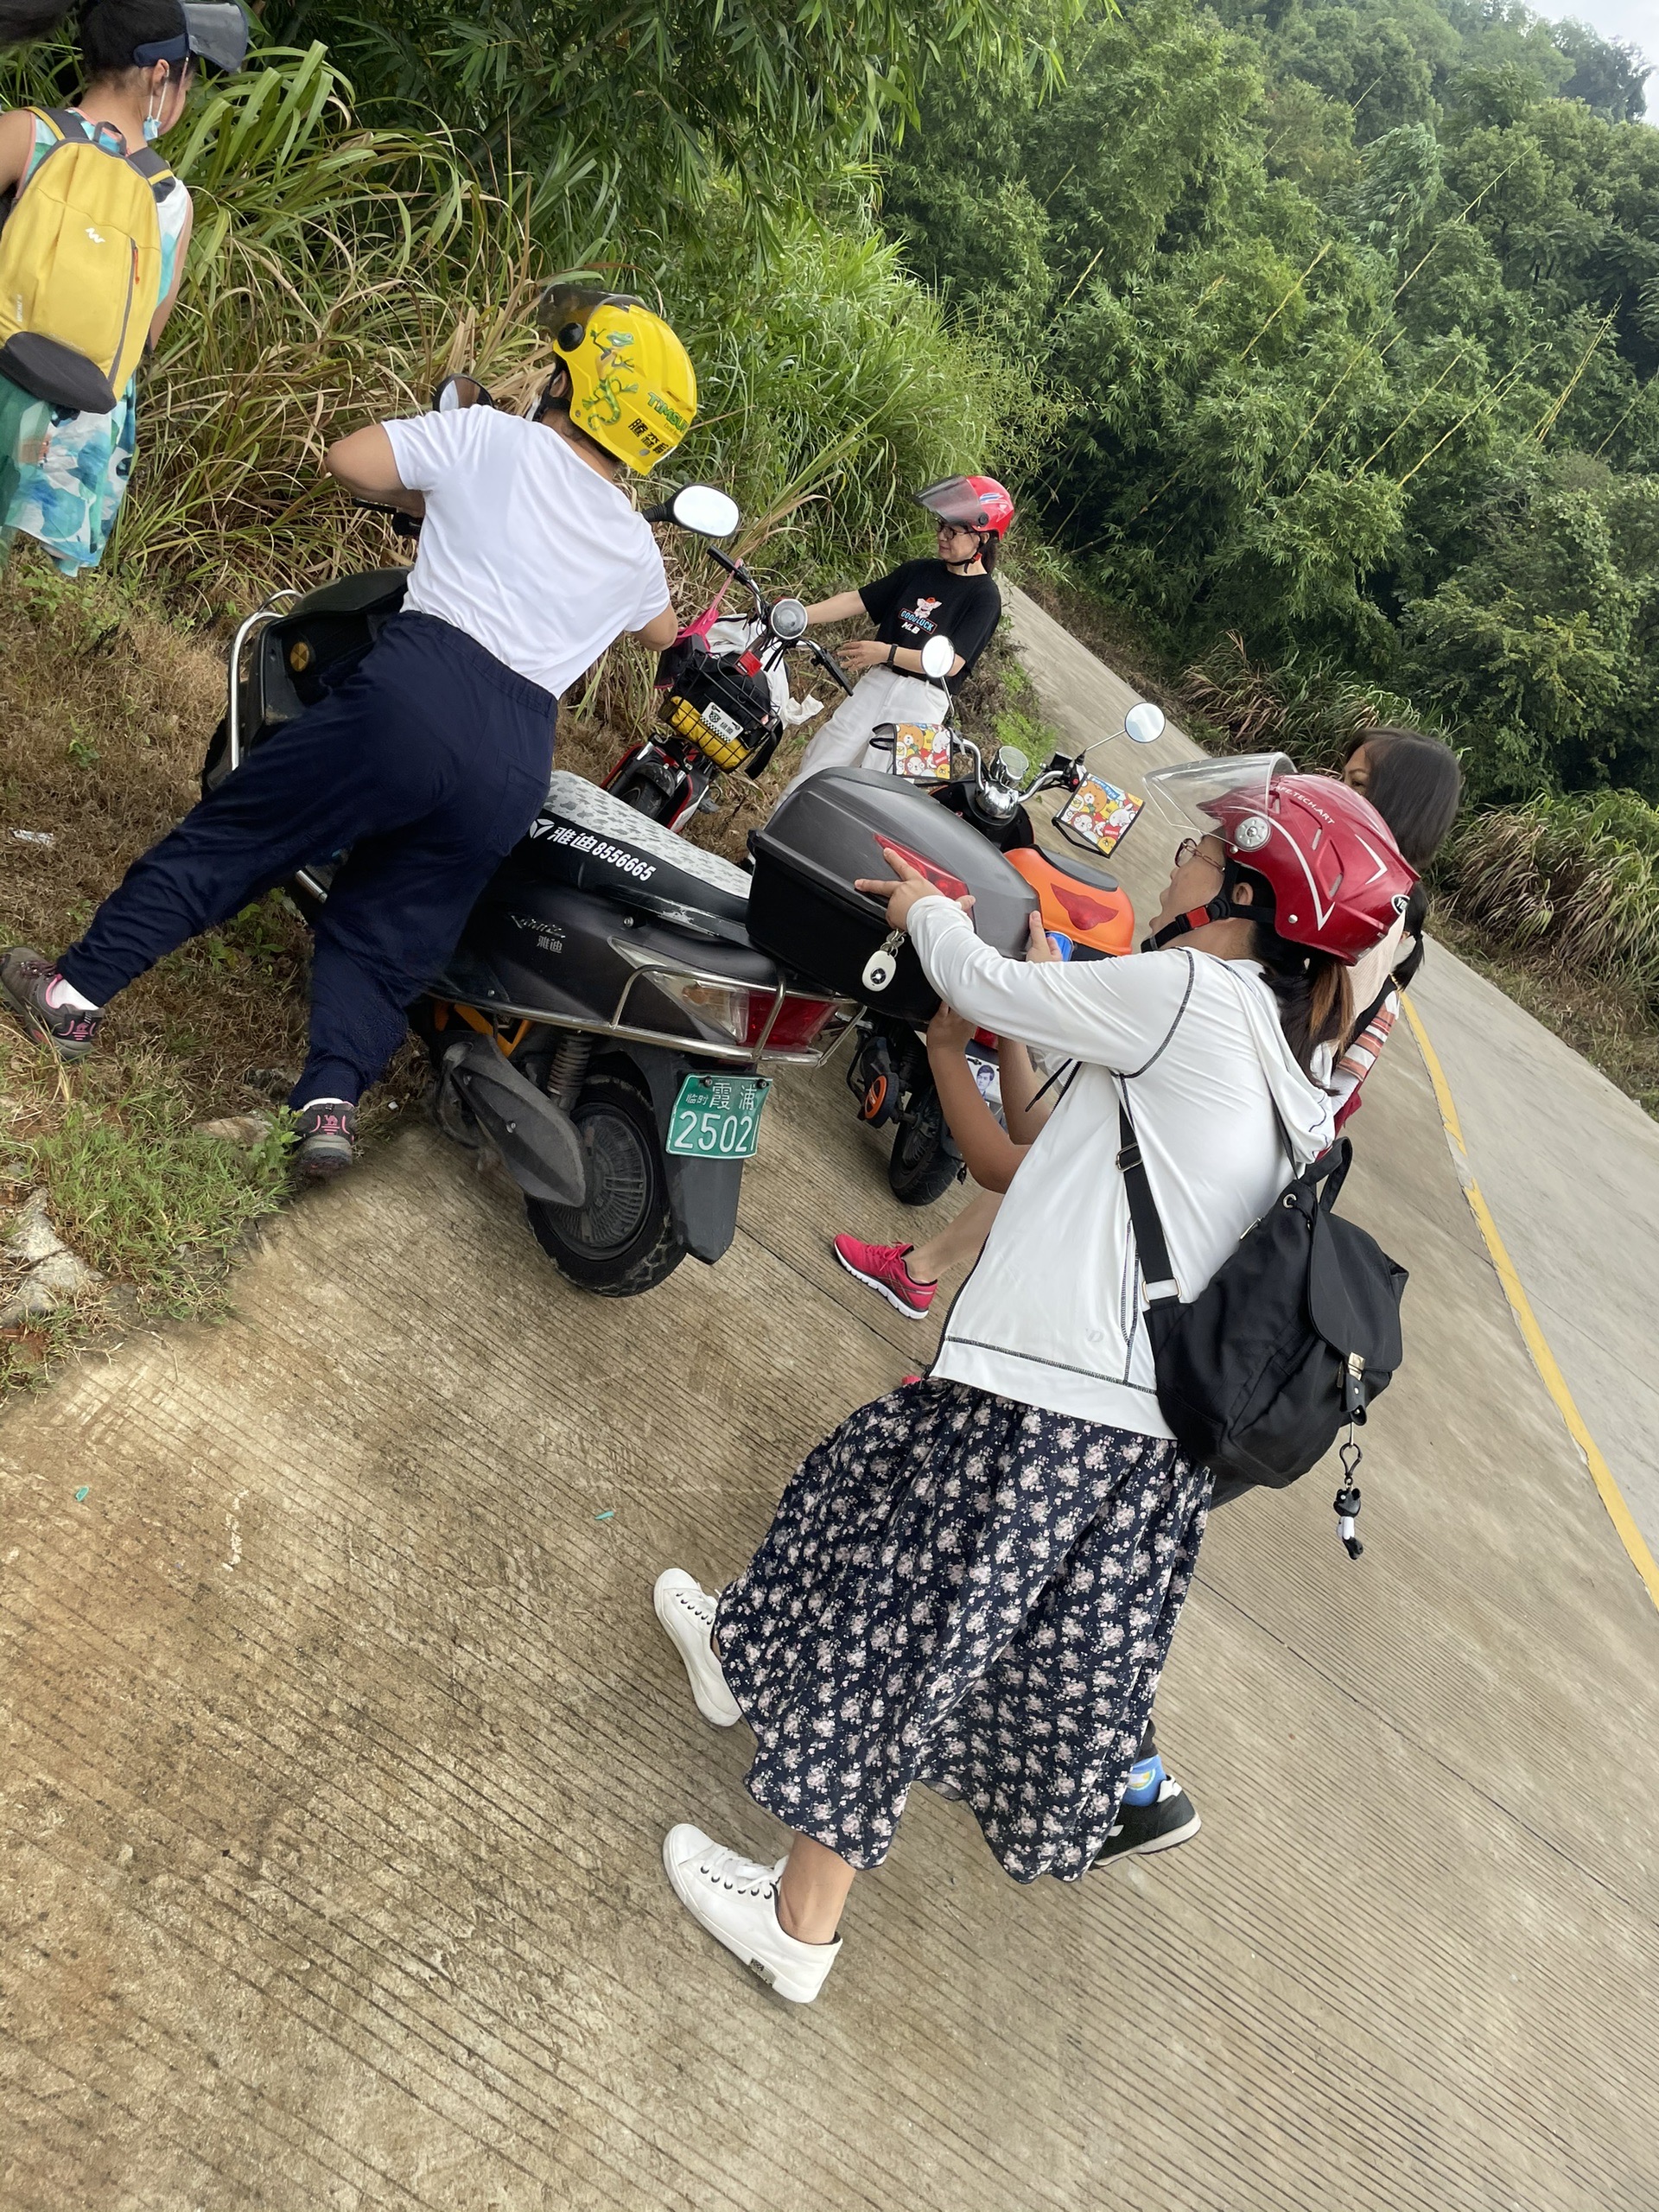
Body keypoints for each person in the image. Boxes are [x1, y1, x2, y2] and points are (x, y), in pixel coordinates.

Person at [650, 760, 1413, 2004]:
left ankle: (798, 1924)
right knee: (860, 1495)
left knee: (914, 1639)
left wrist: (920, 911)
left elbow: (990, 974)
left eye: (1200, 853)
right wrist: (982, 1036)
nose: (1177, 861)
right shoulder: (1283, 1070)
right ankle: (743, 1649)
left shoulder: (1193, 997)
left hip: (1058, 1406)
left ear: (1249, 891)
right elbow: (1028, 1152)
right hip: (1100, 1422)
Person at [1, 290, 691, 1173]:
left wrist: (439, 490)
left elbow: (350, 459)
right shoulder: (634, 544)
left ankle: (70, 991)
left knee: (243, 834)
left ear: (569, 381)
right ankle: (327, 1106)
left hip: (421, 691)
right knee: (389, 928)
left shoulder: (491, 438)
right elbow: (662, 630)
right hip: (517, 753)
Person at [0, 1, 247, 575]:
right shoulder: (170, 201)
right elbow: (143, 339)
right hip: (70, 428)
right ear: (162, 78)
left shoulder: (28, 134)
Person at [785, 476, 1012, 785]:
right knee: (822, 760)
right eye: (941, 526)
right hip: (878, 681)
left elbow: (951, 663)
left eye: (953, 530)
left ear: (982, 538)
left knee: (880, 788)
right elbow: (857, 599)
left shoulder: (985, 597)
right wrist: (794, 615)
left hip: (923, 702)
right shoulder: (919, 571)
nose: (943, 536)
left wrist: (885, 651)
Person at [1329, 727, 1460, 1130]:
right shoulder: (1356, 885)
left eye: (1357, 784)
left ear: (1400, 808)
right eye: (1342, 778)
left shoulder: (1360, 905)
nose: (1336, 792)